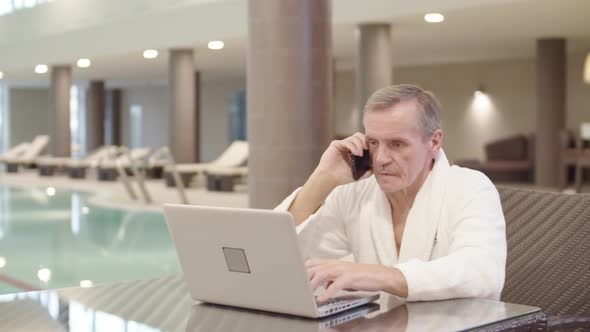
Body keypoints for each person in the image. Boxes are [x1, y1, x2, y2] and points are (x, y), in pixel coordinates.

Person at [275, 84, 506, 303]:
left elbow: (482, 273)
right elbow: (283, 256)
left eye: (397, 144)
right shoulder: (354, 194)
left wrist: (380, 275)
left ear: (434, 141)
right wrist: (322, 178)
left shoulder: (470, 188)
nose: (380, 159)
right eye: (373, 142)